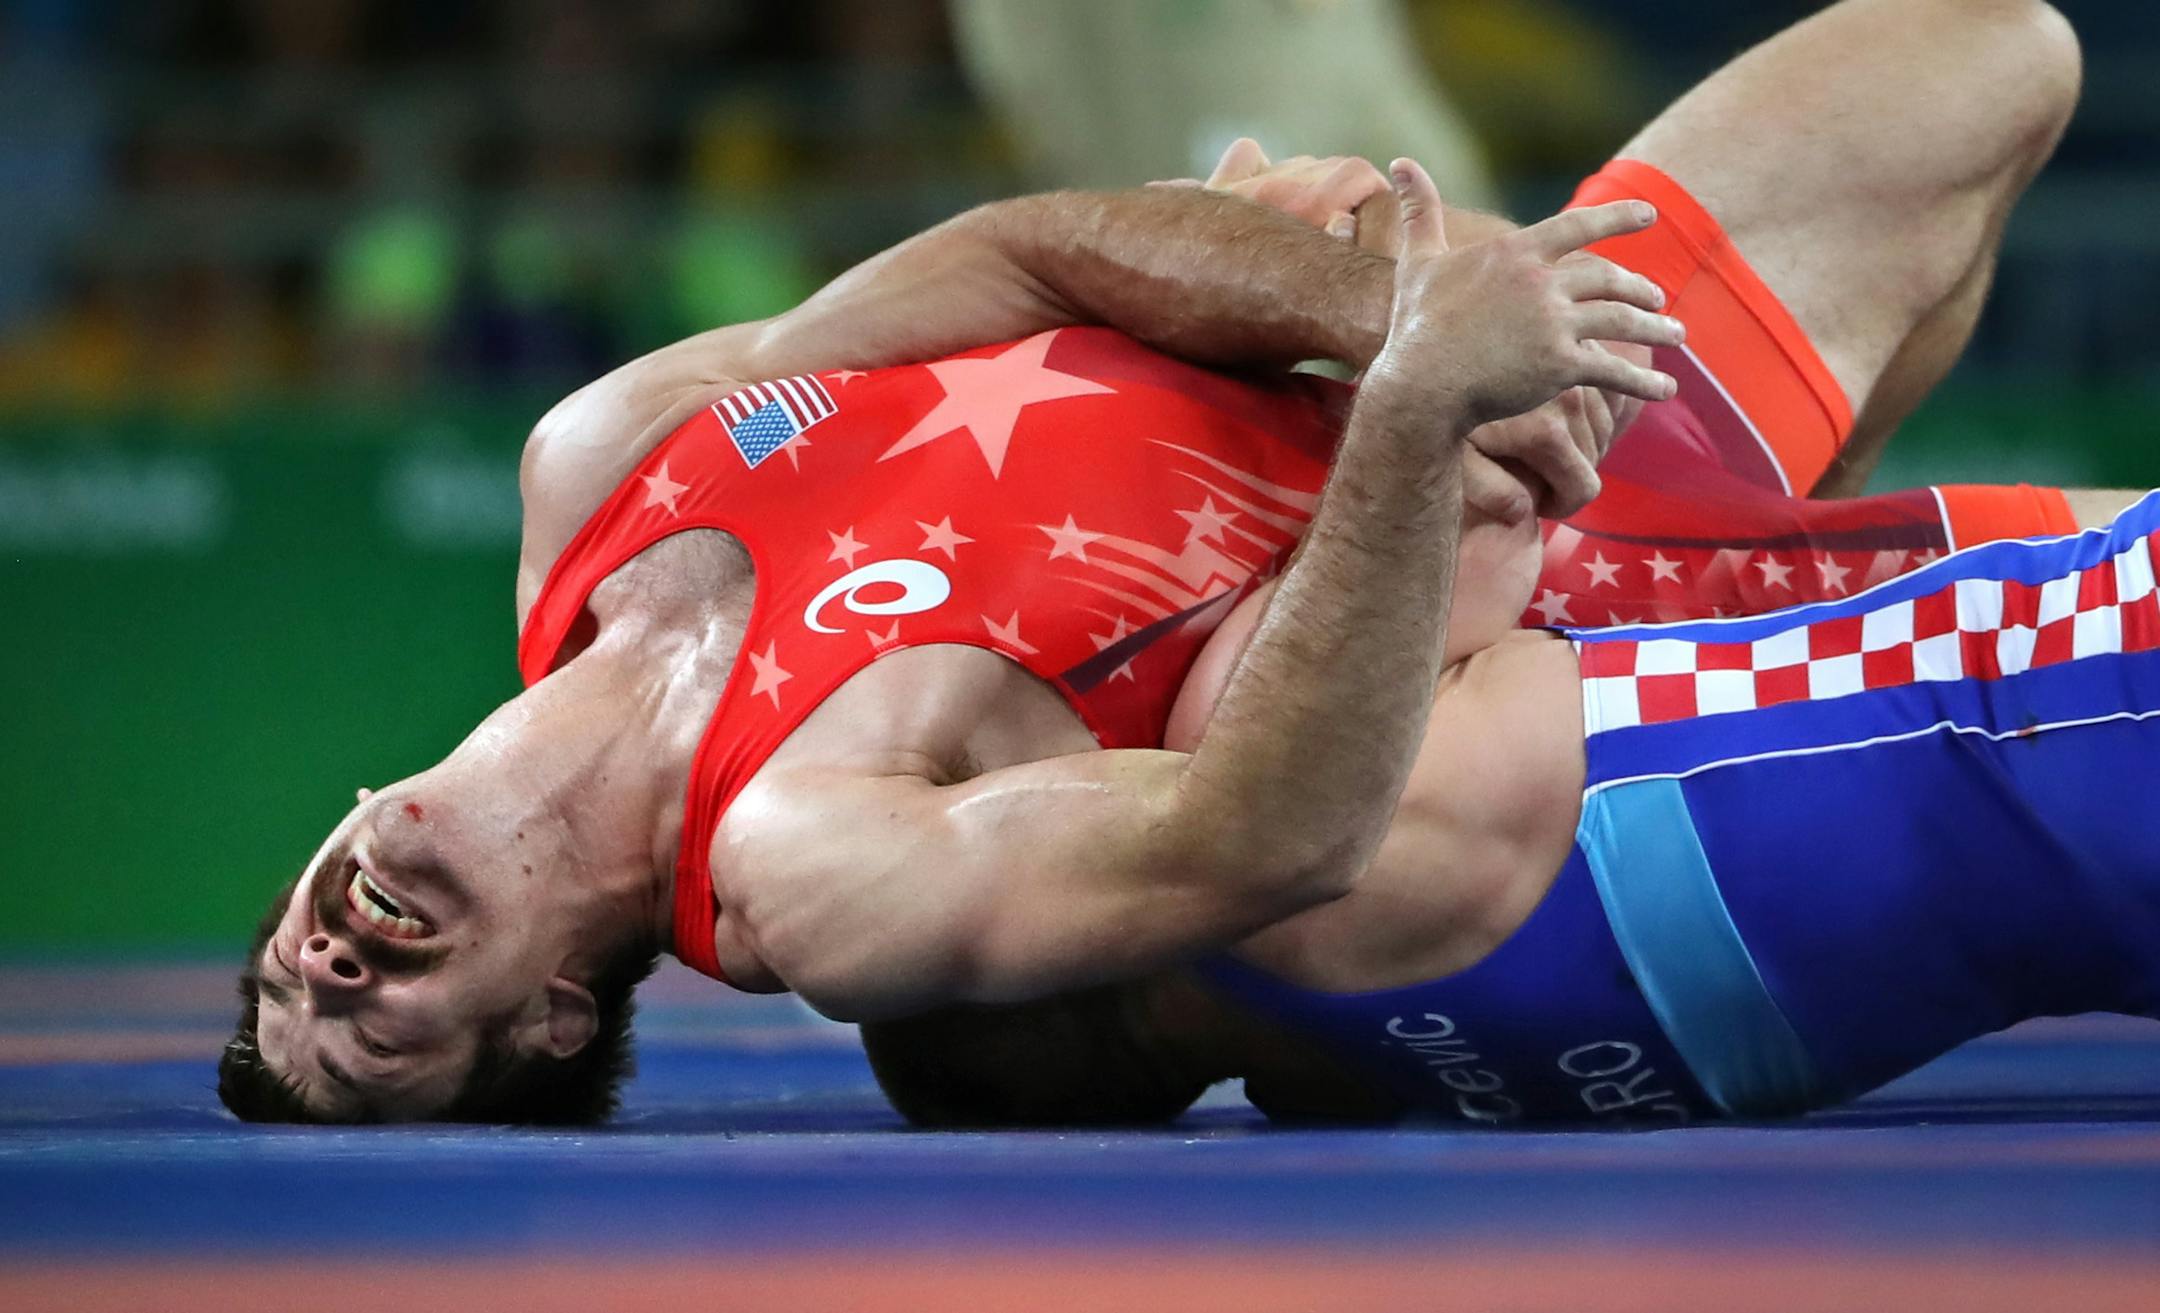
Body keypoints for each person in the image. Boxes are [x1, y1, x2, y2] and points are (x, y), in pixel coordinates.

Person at [221, 0, 2083, 1125]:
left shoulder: (600, 463)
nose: (323, 976)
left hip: (1513, 392)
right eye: (367, 1039)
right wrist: (1428, 405)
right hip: (1560, 618)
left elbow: (1024, 258)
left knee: (1997, 54)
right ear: (550, 1019)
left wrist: (1398, 308)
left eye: (279, 983)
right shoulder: (805, 863)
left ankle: (1779, 454)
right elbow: (1256, 835)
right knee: (2110, 650)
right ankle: (1799, 551)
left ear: (341, 813)